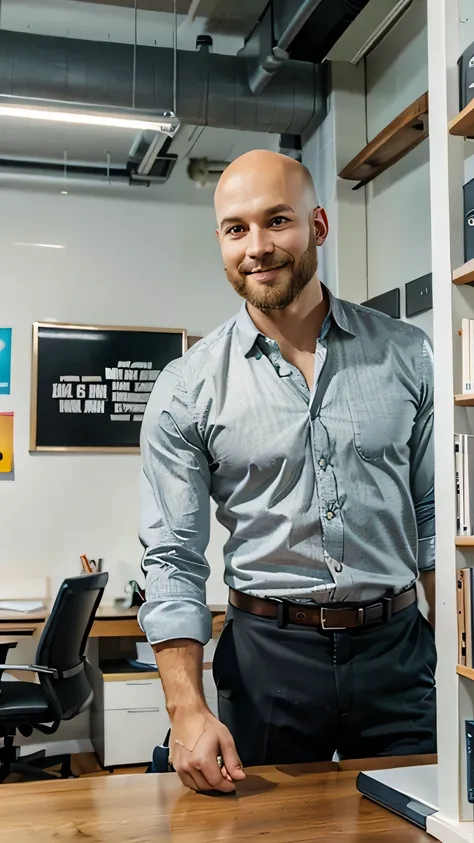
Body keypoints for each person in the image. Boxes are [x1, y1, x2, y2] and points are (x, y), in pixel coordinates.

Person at [138, 149, 436, 794]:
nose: (257, 247)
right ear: (220, 239)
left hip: (398, 651)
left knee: (426, 824)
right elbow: (173, 558)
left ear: (319, 227)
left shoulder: (409, 355)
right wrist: (186, 709)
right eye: (236, 228)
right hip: (264, 659)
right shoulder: (186, 388)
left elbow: (440, 520)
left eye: (278, 221)